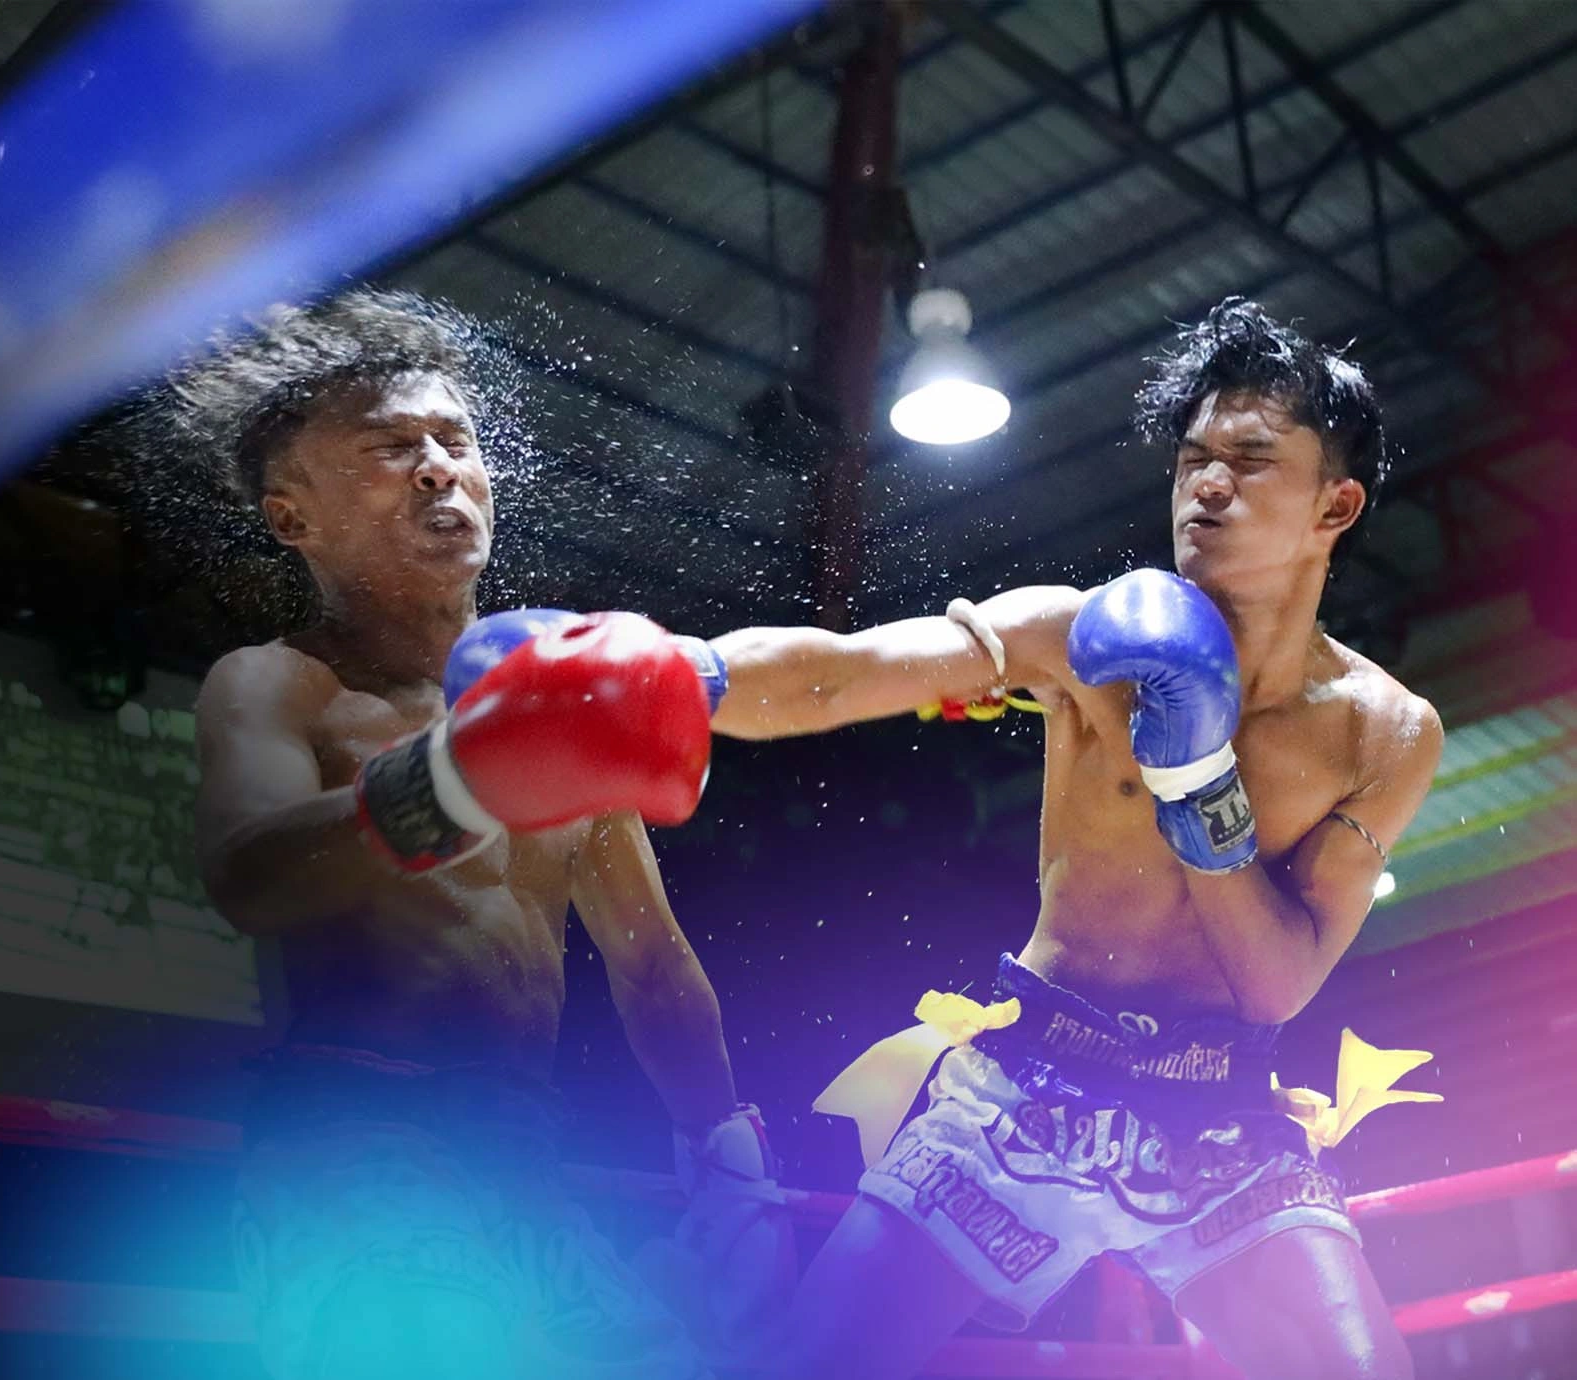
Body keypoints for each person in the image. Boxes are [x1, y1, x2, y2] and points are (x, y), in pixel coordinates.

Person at [697, 299, 1443, 1379]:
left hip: (1220, 1114)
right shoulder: (1077, 633)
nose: (1207, 485)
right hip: (1023, 1089)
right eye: (1190, 458)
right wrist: (681, 677)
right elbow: (852, 670)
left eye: (1247, 457)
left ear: (1334, 505)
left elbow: (1275, 984)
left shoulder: (1382, 730)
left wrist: (1200, 793)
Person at [183, 289, 789, 1380]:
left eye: (453, 441)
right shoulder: (279, 685)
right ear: (293, 518)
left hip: (528, 1154)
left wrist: (725, 1152)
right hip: (351, 1147)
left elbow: (646, 955)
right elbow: (248, 878)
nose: (434, 468)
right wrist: (456, 783)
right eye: (388, 448)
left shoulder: (557, 697)